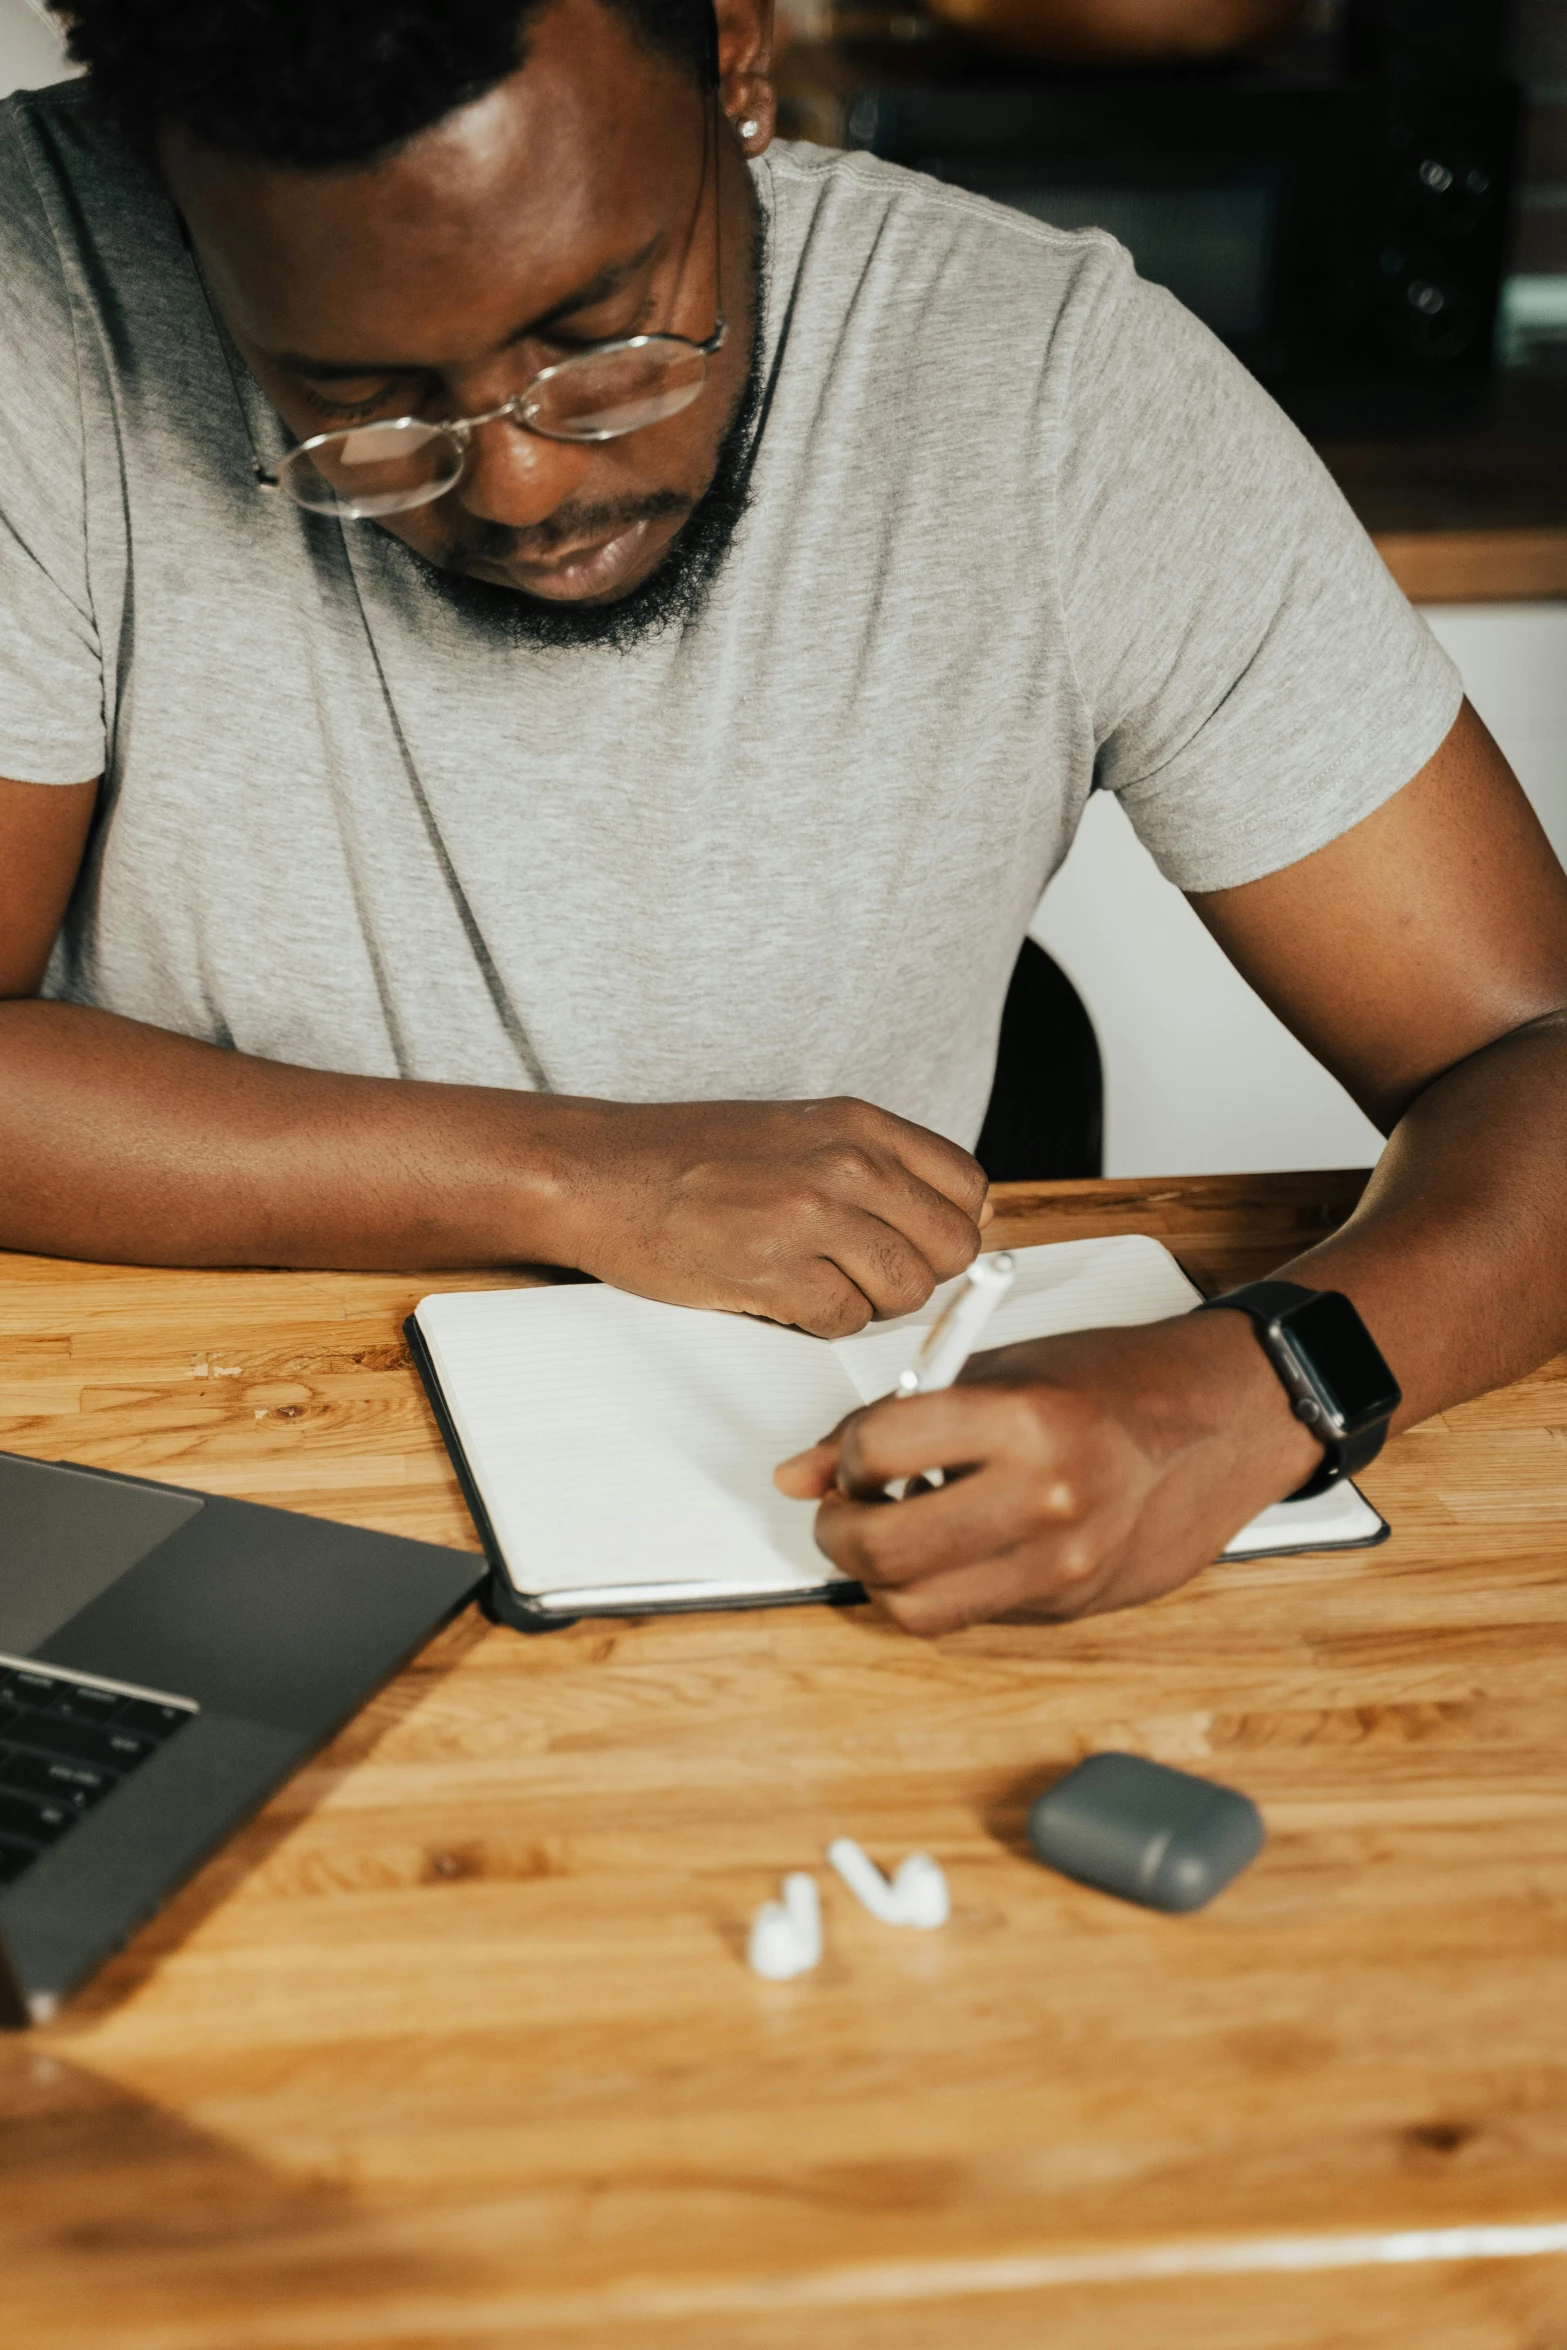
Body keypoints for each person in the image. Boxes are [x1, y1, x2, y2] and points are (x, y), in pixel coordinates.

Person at [2, 0, 1566, 1638]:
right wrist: (565, 1176)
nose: (519, 486)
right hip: (161, 1499)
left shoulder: (1050, 393)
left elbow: (1529, 1045)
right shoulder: (33, 295)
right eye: (359, 402)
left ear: (736, 57)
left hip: (806, 1573)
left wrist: (1262, 1386)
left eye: (599, 336)